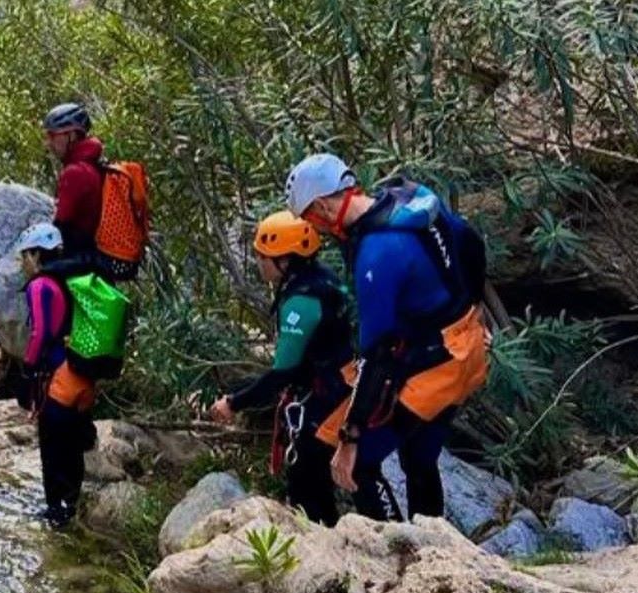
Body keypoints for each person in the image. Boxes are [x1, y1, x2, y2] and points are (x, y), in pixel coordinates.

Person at [285, 154, 490, 522]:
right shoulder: (408, 198)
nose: (316, 229)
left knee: (357, 465)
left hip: (436, 368)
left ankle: (395, 551)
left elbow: (376, 354)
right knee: (420, 458)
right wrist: (474, 309)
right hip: (464, 348)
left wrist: (349, 439)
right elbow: (471, 242)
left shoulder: (376, 255)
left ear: (323, 206)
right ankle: (433, 551)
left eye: (310, 218)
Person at [202, 212, 353, 527]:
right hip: (340, 386)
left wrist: (234, 403)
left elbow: (282, 371)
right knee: (319, 482)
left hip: (324, 397)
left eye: (263, 257)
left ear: (286, 260)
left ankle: (318, 553)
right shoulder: (322, 278)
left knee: (306, 485)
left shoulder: (301, 302)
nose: (259, 263)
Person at [16, 223, 98, 528]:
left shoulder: (40, 285)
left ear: (36, 254)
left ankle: (55, 514)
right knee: (73, 447)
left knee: (52, 450)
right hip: (82, 376)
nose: (23, 263)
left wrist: (27, 371)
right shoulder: (72, 280)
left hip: (59, 378)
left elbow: (40, 332)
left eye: (24, 256)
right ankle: (74, 505)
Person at [42, 102, 104, 271]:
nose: (48, 143)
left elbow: (60, 228)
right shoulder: (93, 165)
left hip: (81, 262)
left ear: (71, 135)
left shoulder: (75, 172)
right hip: (96, 261)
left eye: (52, 136)